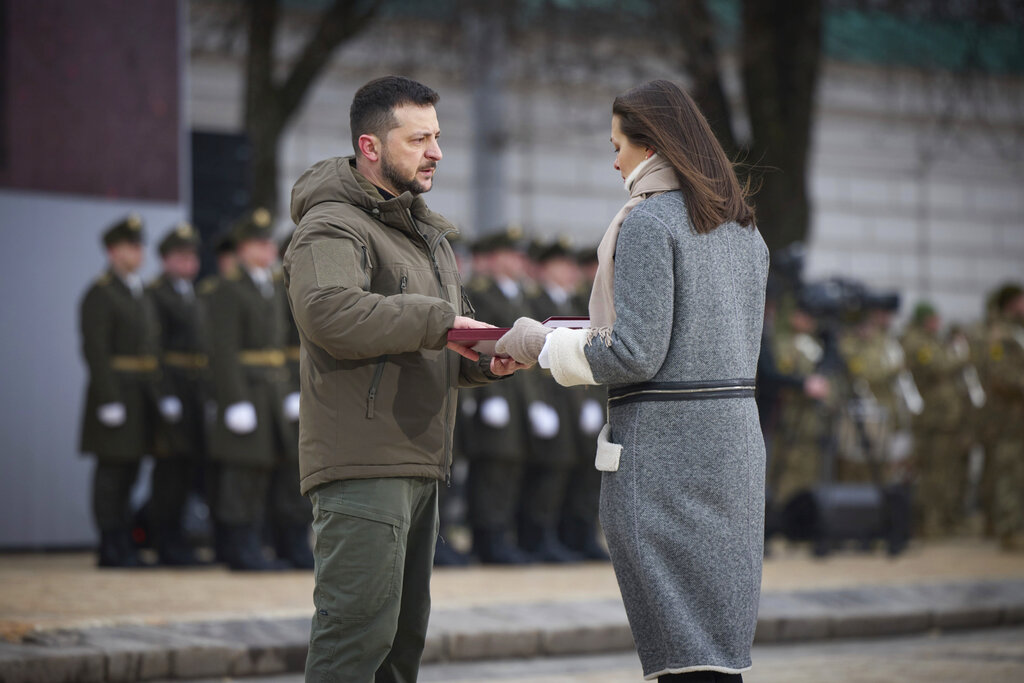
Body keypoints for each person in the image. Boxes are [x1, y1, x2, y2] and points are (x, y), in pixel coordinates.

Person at [497, 79, 767, 681]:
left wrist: (542, 344)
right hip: (731, 451)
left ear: (652, 148)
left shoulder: (650, 222)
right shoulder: (745, 230)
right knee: (716, 656)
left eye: (618, 143)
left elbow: (636, 354)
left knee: (680, 657)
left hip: (664, 457)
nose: (613, 157)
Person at [282, 76, 526, 681]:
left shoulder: (423, 235)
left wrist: (482, 357)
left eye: (437, 137)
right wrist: (444, 322)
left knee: (400, 647)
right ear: (370, 145)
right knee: (354, 640)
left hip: (419, 459)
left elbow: (425, 338)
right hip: (364, 462)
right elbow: (328, 312)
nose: (436, 152)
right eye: (419, 139)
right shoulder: (333, 225)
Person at [201, 207, 304, 571]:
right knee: (243, 473)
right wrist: (234, 400)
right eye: (259, 243)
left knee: (274, 469)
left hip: (274, 390)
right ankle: (239, 547)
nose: (267, 249)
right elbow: (223, 350)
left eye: (268, 243)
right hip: (248, 391)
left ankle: (268, 544)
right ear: (243, 249)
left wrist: (292, 389)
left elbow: (285, 346)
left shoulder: (273, 286)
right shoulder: (229, 289)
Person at [78, 214, 161, 568]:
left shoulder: (137, 290)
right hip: (115, 394)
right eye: (131, 246)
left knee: (130, 472)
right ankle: (110, 543)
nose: (138, 252)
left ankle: (123, 541)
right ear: (113, 251)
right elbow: (95, 350)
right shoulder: (101, 292)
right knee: (112, 473)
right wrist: (109, 398)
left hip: (139, 395)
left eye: (140, 245)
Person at [463, 228, 537, 564]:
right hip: (491, 387)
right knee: (491, 470)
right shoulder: (480, 293)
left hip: (516, 391)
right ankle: (486, 538)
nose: (516, 261)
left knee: (511, 468)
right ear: (492, 259)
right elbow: (474, 343)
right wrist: (485, 397)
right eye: (509, 254)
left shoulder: (517, 295)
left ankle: (501, 534)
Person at [146, 221, 208, 565]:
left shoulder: (191, 293)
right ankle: (163, 539)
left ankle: (178, 539)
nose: (187, 264)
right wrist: (163, 393)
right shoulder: (156, 294)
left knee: (187, 469)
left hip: (194, 391)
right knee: (168, 471)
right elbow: (152, 348)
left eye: (191, 257)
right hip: (172, 387)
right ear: (165, 259)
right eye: (180, 257)